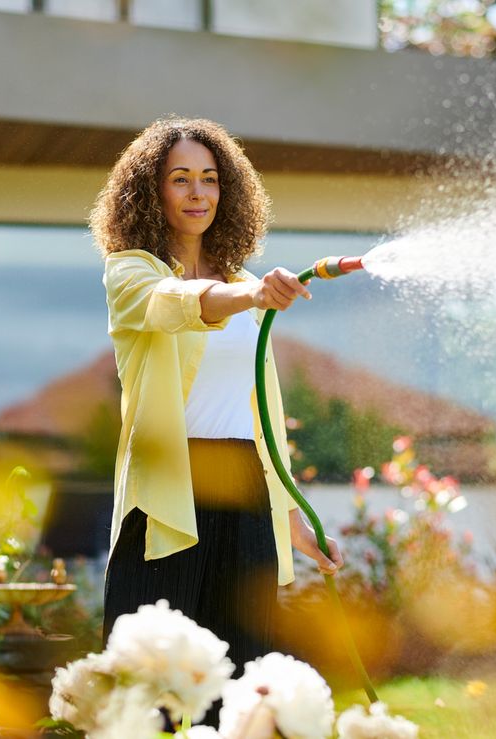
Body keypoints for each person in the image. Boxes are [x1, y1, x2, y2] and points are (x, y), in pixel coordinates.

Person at [91, 117, 344, 686]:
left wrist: (289, 518)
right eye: (179, 179)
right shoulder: (130, 273)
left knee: (242, 675)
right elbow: (172, 302)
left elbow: (256, 415)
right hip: (169, 491)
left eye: (209, 178)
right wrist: (248, 294)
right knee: (152, 683)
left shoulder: (245, 287)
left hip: (246, 488)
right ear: (149, 191)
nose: (198, 192)